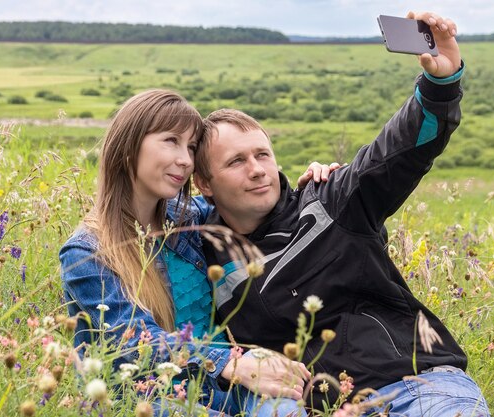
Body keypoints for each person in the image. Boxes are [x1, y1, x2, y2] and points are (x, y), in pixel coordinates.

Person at [193, 11, 490, 417]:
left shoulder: (330, 202)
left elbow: (399, 152)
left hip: (414, 384)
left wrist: (441, 84)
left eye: (263, 154)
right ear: (204, 184)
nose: (258, 169)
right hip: (307, 404)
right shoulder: (195, 247)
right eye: (236, 162)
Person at [59, 89, 339, 416]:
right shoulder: (87, 251)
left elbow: (248, 204)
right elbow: (137, 343)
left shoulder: (192, 219)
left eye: (190, 147)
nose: (185, 160)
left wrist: (311, 192)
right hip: (149, 398)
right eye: (171, 141)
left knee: (284, 406)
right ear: (129, 145)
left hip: (228, 384)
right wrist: (230, 363)